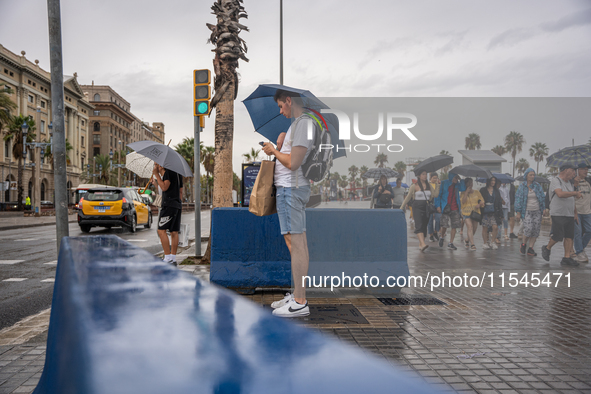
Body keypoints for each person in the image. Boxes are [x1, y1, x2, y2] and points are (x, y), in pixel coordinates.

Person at [262, 89, 314, 317]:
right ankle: (297, 295)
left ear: (289, 101)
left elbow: (293, 163)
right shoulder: (298, 125)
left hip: (292, 190)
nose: (280, 111)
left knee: (296, 244)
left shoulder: (303, 123)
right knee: (295, 242)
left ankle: (300, 301)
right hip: (289, 190)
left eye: (281, 106)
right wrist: (281, 143)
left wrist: (274, 150)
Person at [541, 164, 582, 266]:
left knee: (569, 236)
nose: (574, 173)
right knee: (558, 235)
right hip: (558, 213)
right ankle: (547, 247)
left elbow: (572, 199)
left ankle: (566, 257)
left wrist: (575, 213)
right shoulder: (556, 181)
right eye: (573, 170)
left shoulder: (570, 183)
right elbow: (560, 194)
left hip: (569, 213)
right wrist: (574, 193)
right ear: (565, 170)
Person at [151, 163, 183, 265]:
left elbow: (164, 187)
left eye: (157, 164)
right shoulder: (178, 173)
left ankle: (168, 257)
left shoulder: (168, 172)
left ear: (162, 165)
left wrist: (156, 175)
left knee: (161, 231)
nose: (156, 166)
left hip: (168, 205)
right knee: (174, 231)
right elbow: (180, 191)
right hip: (176, 204)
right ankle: (172, 258)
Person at [401, 170, 439, 252]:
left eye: (426, 174)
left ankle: (421, 244)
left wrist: (437, 185)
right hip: (417, 207)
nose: (425, 176)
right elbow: (408, 197)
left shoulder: (429, 185)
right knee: (419, 225)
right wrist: (401, 207)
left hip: (426, 207)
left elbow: (435, 195)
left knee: (424, 226)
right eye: (423, 174)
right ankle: (422, 243)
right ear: (419, 176)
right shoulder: (414, 186)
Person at [514, 168, 545, 256]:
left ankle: (530, 248)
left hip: (537, 211)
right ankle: (523, 244)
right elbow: (518, 199)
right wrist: (518, 212)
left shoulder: (537, 186)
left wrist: (543, 208)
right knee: (528, 228)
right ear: (526, 176)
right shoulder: (522, 186)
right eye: (530, 175)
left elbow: (542, 197)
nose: (532, 176)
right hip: (526, 210)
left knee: (535, 230)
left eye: (533, 175)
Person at [436, 171, 465, 250]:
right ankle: (442, 237)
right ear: (451, 177)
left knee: (454, 226)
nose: (456, 179)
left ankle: (451, 242)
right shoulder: (444, 183)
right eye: (455, 177)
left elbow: (463, 188)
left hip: (455, 207)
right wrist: (438, 206)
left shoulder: (457, 185)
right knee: (444, 225)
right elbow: (438, 195)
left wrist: (461, 180)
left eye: (456, 177)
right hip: (445, 206)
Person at [460, 178, 484, 250]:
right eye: (469, 183)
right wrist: (466, 192)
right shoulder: (463, 193)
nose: (471, 184)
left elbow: (482, 201)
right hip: (466, 212)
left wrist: (479, 205)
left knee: (474, 229)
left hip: (475, 212)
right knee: (469, 227)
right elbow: (463, 202)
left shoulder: (477, 192)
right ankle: (472, 244)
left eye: (471, 182)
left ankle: (467, 239)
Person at [573, 163, 591, 262]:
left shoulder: (589, 181)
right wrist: (575, 185)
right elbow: (570, 195)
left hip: (587, 211)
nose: (586, 171)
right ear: (578, 170)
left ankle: (580, 248)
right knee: (578, 232)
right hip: (577, 211)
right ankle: (579, 252)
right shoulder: (572, 181)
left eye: (587, 169)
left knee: (589, 231)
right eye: (583, 169)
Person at [479, 177, 503, 250]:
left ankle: (492, 242)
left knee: (495, 227)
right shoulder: (483, 190)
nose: (493, 182)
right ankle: (485, 242)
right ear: (488, 181)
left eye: (494, 180)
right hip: (485, 211)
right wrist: (480, 202)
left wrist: (501, 214)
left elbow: (499, 202)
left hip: (494, 211)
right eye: (492, 180)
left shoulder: (496, 191)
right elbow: (479, 198)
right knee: (485, 228)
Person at [427, 173, 441, 242]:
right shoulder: (427, 185)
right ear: (430, 178)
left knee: (438, 220)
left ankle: (435, 232)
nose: (435, 179)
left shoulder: (438, 186)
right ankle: (431, 235)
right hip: (430, 204)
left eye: (436, 178)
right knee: (430, 221)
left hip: (437, 204)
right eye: (434, 178)